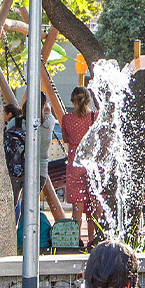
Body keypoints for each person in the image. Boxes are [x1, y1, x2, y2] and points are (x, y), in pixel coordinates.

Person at [62, 87, 101, 248]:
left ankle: (75, 240)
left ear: (73, 101)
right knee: (94, 205)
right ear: (89, 100)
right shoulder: (95, 116)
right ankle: (94, 239)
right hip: (92, 163)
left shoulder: (66, 119)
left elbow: (66, 139)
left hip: (75, 163)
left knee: (77, 206)